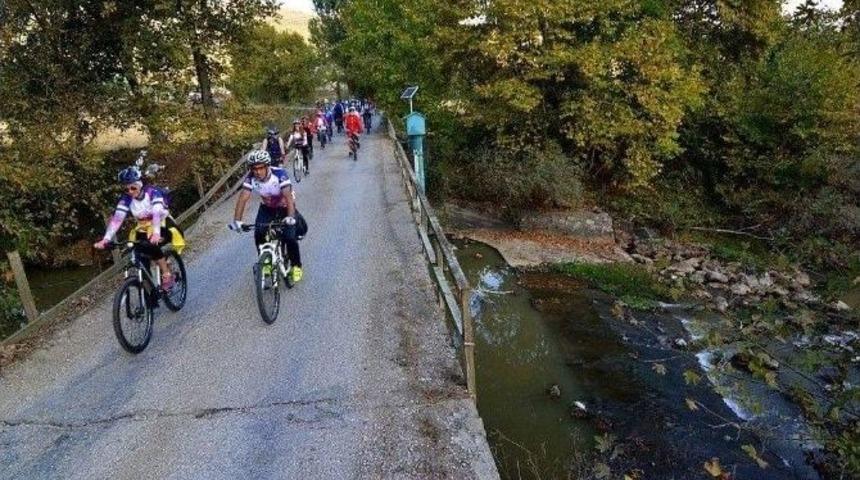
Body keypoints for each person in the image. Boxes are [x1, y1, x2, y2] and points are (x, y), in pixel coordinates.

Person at [93, 166, 185, 290]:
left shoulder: (152, 192)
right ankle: (149, 294)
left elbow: (157, 212)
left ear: (140, 185)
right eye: (126, 189)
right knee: (137, 252)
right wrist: (106, 239)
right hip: (143, 228)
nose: (130, 191)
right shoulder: (126, 200)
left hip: (163, 224)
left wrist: (156, 233)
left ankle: (166, 273)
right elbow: (117, 219)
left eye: (133, 187)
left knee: (152, 244)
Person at [228, 150, 304, 284]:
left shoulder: (279, 174)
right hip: (267, 209)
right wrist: (237, 221)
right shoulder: (251, 177)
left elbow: (287, 196)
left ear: (267, 166)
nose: (257, 172)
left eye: (261, 168)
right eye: (254, 168)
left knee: (289, 237)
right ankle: (267, 262)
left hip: (285, 207)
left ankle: (296, 265)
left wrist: (290, 217)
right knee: (259, 233)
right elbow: (243, 198)